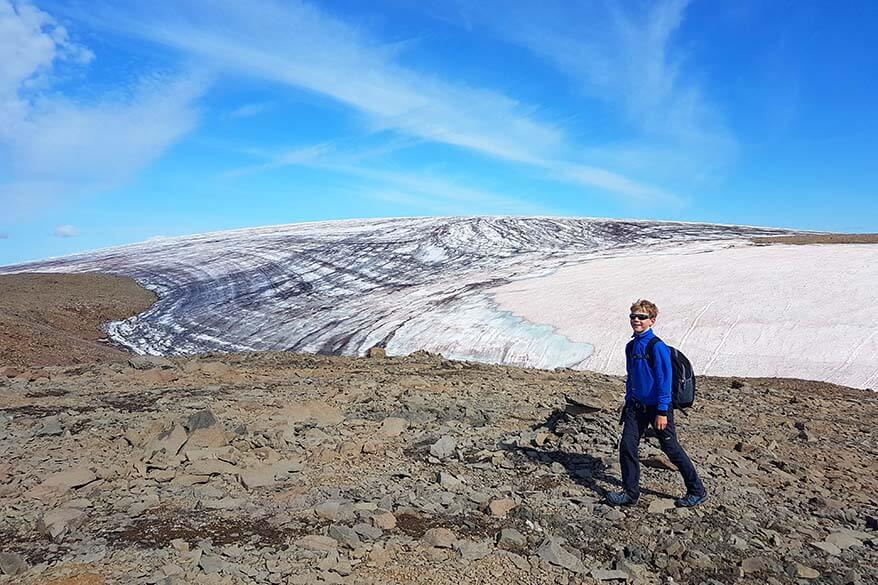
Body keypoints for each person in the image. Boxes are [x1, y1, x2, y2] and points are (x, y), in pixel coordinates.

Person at [606, 299, 707, 508]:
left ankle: (697, 490)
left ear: (652, 320)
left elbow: (664, 380)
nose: (636, 320)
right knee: (627, 445)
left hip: (658, 408)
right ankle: (630, 493)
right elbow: (632, 376)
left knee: (671, 448)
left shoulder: (656, 346)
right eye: (633, 316)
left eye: (641, 317)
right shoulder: (631, 346)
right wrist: (628, 401)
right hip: (636, 407)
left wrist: (662, 411)